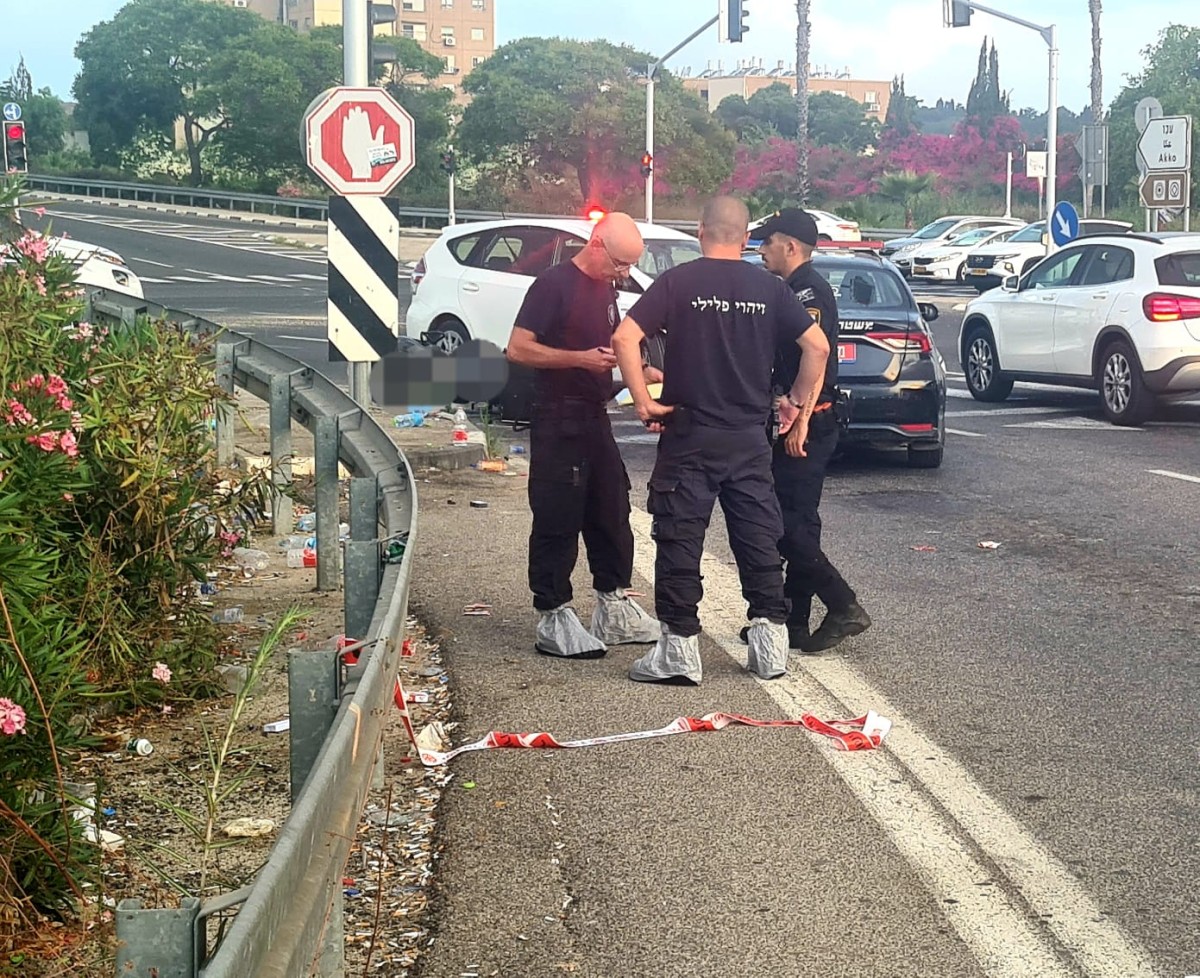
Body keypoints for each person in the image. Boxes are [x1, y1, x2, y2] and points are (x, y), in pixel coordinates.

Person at [610, 195, 830, 685]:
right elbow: (817, 346)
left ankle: (680, 651)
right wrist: (795, 400)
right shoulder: (770, 289)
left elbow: (625, 338)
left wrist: (643, 400)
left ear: (700, 229)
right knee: (758, 537)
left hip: (690, 435)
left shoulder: (677, 282)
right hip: (749, 437)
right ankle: (771, 647)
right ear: (746, 235)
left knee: (679, 537)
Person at [506, 212, 660, 660]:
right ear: (596, 244)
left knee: (611, 508)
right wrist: (578, 359)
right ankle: (553, 612)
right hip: (559, 416)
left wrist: (641, 371)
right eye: (619, 263)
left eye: (631, 265)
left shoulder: (605, 288)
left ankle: (613, 603)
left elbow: (609, 345)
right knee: (558, 513)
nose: (624, 273)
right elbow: (517, 348)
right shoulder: (553, 285)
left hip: (595, 413)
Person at [754, 207, 871, 653]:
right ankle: (794, 622)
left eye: (768, 242)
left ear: (791, 246)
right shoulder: (792, 289)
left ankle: (843, 605)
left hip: (811, 421)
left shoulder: (809, 293)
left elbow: (816, 359)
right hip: (801, 418)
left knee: (785, 525)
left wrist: (800, 419)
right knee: (799, 524)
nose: (761, 249)